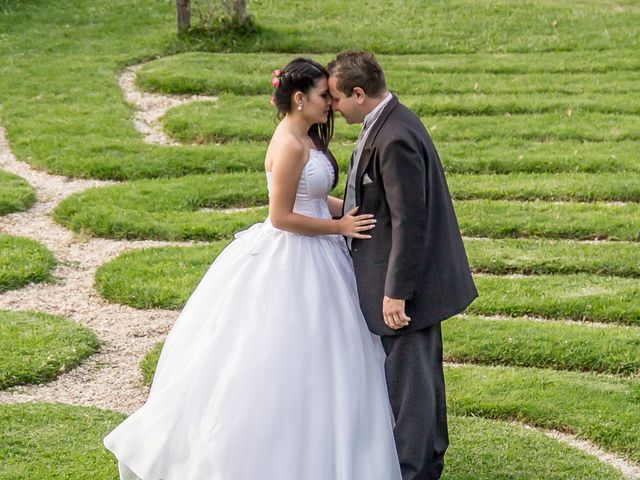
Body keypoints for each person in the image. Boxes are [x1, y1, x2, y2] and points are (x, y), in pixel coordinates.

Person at [103, 57, 402, 480]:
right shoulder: (290, 144)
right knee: (278, 353)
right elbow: (281, 216)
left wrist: (354, 212)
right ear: (299, 99)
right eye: (323, 96)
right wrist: (339, 226)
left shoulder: (309, 137)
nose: (331, 103)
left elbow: (313, 199)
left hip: (321, 254)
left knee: (334, 356)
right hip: (292, 257)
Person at [327, 51, 478, 480]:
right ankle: (426, 462)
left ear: (359, 94)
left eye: (338, 98)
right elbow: (379, 208)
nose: (334, 107)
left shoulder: (393, 137)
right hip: (405, 282)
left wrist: (396, 292)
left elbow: (410, 221)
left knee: (410, 389)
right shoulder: (391, 121)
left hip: (408, 289)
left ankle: (414, 471)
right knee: (419, 382)